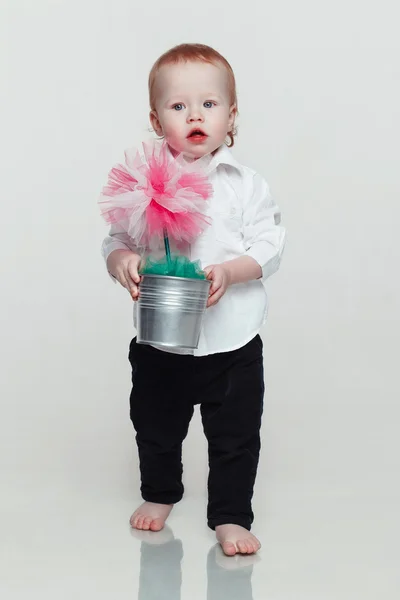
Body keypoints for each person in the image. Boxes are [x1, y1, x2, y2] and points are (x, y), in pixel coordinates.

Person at [101, 43, 286, 556]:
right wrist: (122, 262)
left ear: (231, 117)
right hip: (162, 340)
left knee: (236, 437)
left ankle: (230, 515)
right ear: (157, 120)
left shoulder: (244, 185)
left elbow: (271, 246)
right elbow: (116, 239)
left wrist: (232, 270)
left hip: (233, 340)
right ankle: (160, 493)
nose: (195, 115)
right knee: (155, 426)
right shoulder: (142, 184)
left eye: (209, 103)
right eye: (178, 106)